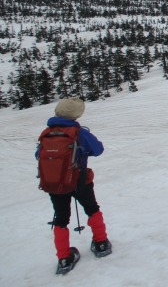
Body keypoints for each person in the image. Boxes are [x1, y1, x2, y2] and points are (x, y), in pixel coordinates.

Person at [35, 97, 111, 274]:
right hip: (79, 180)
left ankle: (64, 258)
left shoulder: (46, 134)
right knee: (92, 208)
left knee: (61, 218)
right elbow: (98, 149)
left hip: (55, 183)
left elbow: (38, 155)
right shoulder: (78, 133)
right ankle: (100, 243)